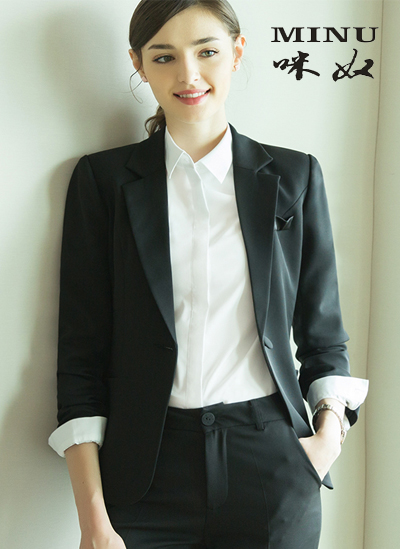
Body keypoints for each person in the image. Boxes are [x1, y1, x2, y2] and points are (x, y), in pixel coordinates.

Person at [48, 1, 368, 548]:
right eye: (164, 57)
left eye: (207, 52)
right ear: (138, 63)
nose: (188, 75)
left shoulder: (294, 176)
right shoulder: (103, 183)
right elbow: (81, 359)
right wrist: (93, 520)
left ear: (237, 53)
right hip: (143, 478)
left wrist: (327, 439)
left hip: (272, 465)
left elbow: (323, 335)